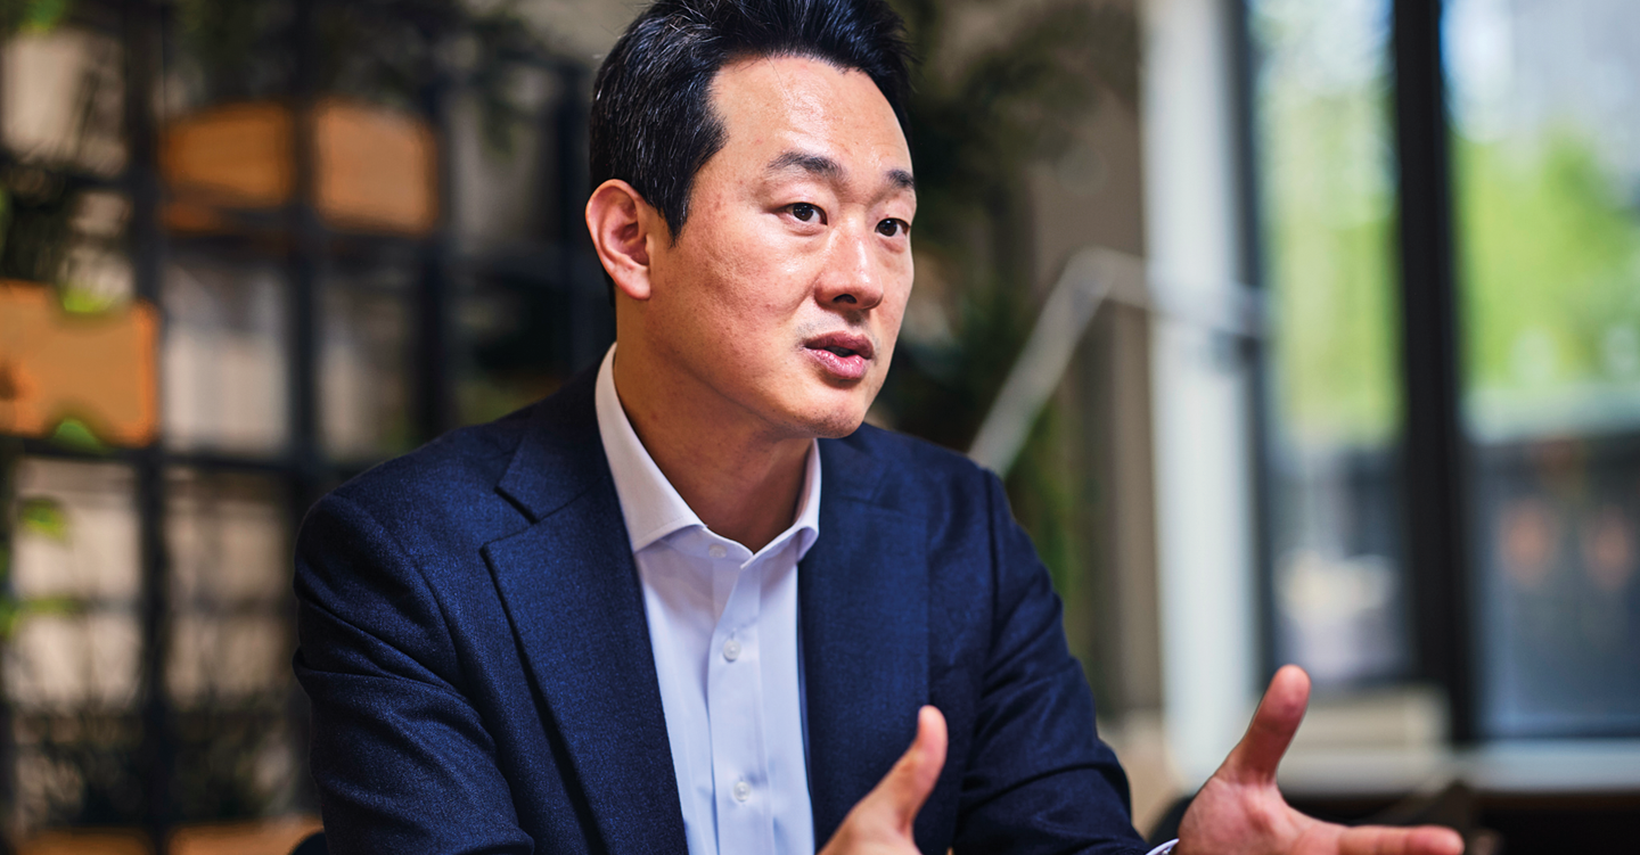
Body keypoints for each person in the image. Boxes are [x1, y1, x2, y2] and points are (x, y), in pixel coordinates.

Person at [292, 2, 1466, 854]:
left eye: (892, 226)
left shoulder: (958, 532)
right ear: (629, 238)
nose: (862, 277)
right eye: (803, 210)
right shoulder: (408, 560)